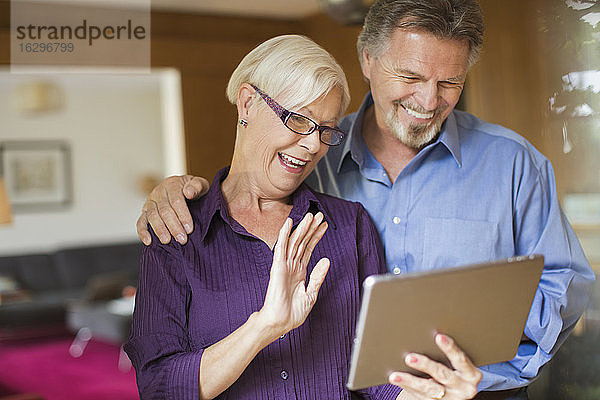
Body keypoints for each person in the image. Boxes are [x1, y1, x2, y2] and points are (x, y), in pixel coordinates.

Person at [136, 0, 595, 397]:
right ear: (368, 59)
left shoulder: (513, 164)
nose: (429, 99)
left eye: (450, 82)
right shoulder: (317, 166)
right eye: (410, 75)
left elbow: (565, 286)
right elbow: (254, 179)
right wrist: (175, 190)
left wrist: (479, 374)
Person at [125, 34, 481, 400]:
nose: (314, 145)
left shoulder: (350, 225)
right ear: (247, 103)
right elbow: (159, 387)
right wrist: (264, 326)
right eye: (299, 120)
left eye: (327, 130)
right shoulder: (177, 231)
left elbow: (378, 380)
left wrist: (439, 394)